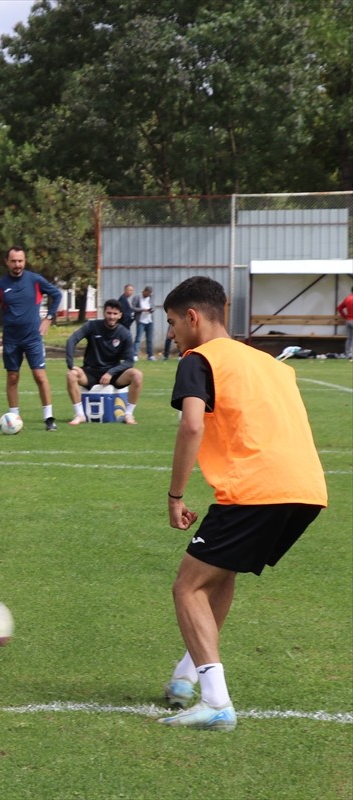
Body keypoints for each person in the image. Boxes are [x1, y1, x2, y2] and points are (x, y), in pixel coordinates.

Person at [156, 276, 327, 731]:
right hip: (306, 488)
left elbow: (191, 426)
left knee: (187, 587)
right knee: (218, 574)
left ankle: (215, 702)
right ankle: (186, 676)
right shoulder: (266, 361)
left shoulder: (199, 358)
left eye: (172, 323)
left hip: (257, 488)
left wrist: (175, 496)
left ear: (193, 318)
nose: (171, 334)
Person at [0, 246, 63, 431]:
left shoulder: (35, 280)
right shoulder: (1, 285)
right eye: (13, 261)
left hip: (33, 339)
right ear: (7, 262)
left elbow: (57, 294)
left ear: (25, 261)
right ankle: (14, 416)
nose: (17, 264)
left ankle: (49, 417)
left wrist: (49, 318)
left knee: (40, 376)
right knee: (12, 377)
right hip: (11, 340)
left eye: (20, 261)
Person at [63, 299, 143, 425]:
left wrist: (111, 372)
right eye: (109, 313)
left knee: (137, 375)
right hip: (91, 372)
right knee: (71, 375)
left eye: (115, 314)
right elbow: (72, 340)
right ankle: (80, 414)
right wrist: (71, 365)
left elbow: (129, 361)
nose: (111, 316)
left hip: (114, 374)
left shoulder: (124, 333)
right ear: (104, 313)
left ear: (120, 315)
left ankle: (128, 414)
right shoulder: (92, 326)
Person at [134, 285, 156, 360]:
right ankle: (135, 355)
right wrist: (142, 310)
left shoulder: (150, 297)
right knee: (138, 338)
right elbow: (133, 308)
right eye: (148, 293)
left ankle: (150, 355)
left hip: (149, 320)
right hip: (141, 321)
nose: (149, 295)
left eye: (150, 294)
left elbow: (153, 306)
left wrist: (152, 309)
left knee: (149, 339)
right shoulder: (137, 297)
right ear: (145, 291)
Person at [338, 288, 353, 358]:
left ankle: (347, 353)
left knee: (349, 338)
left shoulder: (347, 298)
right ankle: (352, 354)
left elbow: (339, 308)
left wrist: (345, 316)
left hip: (348, 320)